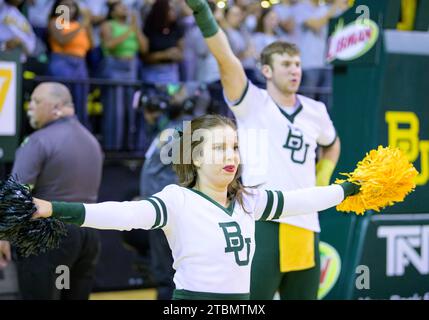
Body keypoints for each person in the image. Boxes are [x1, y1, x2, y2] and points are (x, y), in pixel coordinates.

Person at [29, 114, 359, 300]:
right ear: (197, 158)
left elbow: (302, 200)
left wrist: (350, 188)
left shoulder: (250, 200)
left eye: (234, 147)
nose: (231, 156)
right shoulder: (177, 200)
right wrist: (54, 208)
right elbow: (121, 214)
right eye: (219, 149)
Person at [184, 0, 341, 300]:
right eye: (286, 64)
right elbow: (226, 59)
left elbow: (332, 145)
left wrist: (322, 179)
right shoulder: (252, 102)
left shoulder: (316, 110)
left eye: (297, 63)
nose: (295, 70)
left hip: (306, 223)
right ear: (267, 70)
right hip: (262, 220)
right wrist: (204, 14)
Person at [3, 82, 104, 300]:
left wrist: (3, 237)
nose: (29, 106)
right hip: (88, 235)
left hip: (48, 236)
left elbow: (16, 195)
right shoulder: (92, 141)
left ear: (56, 106)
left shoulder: (38, 141)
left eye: (36, 101)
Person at [47, 0, 94, 128]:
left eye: (72, 5)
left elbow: (91, 45)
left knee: (80, 101)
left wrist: (87, 25)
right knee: (61, 99)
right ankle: (58, 130)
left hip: (80, 64)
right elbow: (62, 40)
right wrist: (81, 26)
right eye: (65, 5)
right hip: (62, 62)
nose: (69, 8)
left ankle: (79, 132)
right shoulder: (55, 22)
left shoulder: (80, 24)